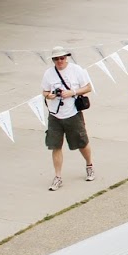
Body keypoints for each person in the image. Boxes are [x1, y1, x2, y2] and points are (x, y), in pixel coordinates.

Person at [42, 47, 95, 189]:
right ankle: (58, 177)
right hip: (55, 115)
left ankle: (89, 165)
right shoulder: (48, 74)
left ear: (67, 57)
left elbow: (88, 87)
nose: (60, 61)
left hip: (73, 114)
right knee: (55, 146)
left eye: (62, 58)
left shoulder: (76, 70)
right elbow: (45, 91)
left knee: (81, 143)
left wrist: (72, 92)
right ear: (53, 60)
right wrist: (50, 95)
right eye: (56, 59)